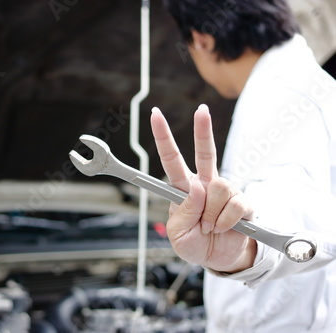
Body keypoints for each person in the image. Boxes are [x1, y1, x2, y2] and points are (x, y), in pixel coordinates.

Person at [150, 0, 336, 331]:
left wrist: (246, 246)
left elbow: (292, 207)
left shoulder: (281, 96)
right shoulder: (308, 84)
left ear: (202, 40)